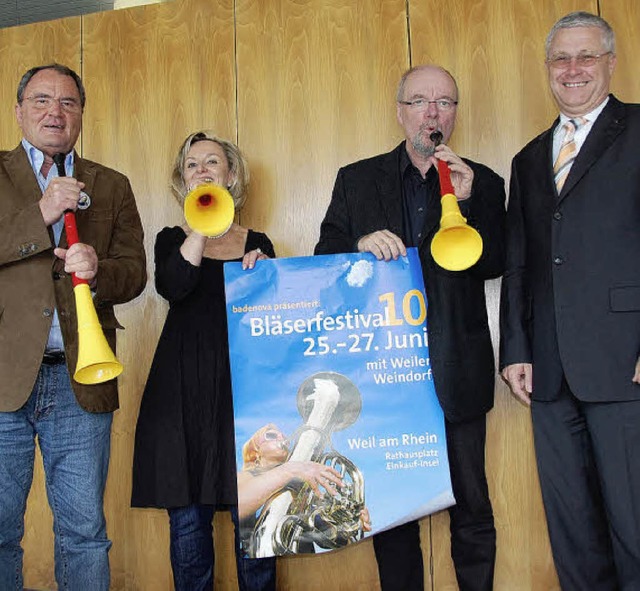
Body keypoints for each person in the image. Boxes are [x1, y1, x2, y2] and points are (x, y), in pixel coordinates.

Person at [315, 64, 506, 591]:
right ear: (400, 113)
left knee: (471, 503)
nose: (432, 113)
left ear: (455, 114)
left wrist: (466, 206)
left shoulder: (483, 181)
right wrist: (357, 247)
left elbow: (496, 263)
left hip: (458, 366)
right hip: (384, 372)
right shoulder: (356, 179)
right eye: (420, 102)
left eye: (444, 102)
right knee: (393, 510)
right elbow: (323, 259)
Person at [500, 11, 640, 590]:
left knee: (634, 527)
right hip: (550, 376)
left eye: (586, 57)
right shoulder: (529, 158)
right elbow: (519, 263)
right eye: (561, 58)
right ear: (547, 69)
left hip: (624, 365)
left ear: (610, 62)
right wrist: (515, 350)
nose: (573, 69)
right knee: (572, 533)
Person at [0, 64, 146, 591]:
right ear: (19, 111)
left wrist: (97, 270)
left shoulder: (111, 184)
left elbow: (134, 274)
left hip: (80, 379)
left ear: (81, 113)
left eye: (67, 102)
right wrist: (40, 211)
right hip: (3, 380)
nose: (54, 112)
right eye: (41, 100)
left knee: (84, 532)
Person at [131, 131, 277, 591]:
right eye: (192, 166)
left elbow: (275, 316)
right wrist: (202, 225)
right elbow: (175, 286)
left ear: (231, 175)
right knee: (189, 527)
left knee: (254, 523)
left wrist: (264, 272)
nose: (202, 171)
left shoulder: (259, 241)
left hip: (245, 395)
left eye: (212, 162)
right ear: (183, 180)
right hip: (180, 396)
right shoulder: (172, 238)